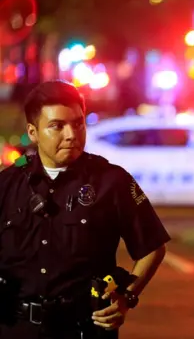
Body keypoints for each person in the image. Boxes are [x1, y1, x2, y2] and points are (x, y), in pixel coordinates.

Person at [0, 80, 171, 339]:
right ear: (33, 132)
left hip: (84, 329)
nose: (71, 134)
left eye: (78, 123)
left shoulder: (112, 181)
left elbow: (152, 246)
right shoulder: (7, 184)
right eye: (57, 126)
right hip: (15, 328)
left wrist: (126, 297)